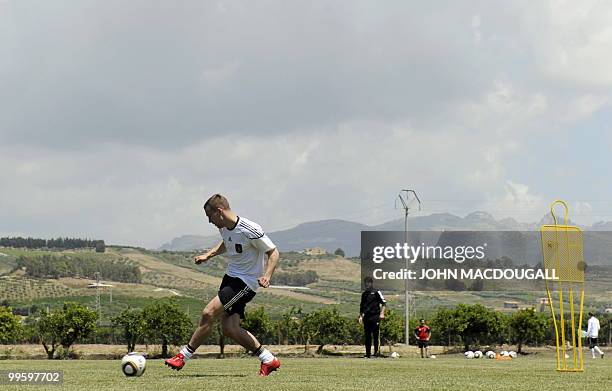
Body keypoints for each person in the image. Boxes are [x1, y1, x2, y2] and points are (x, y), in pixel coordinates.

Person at [164, 194, 282, 376]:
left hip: (245, 283)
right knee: (230, 329)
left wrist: (267, 275)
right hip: (230, 278)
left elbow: (273, 252)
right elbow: (227, 243)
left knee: (208, 313)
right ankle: (268, 360)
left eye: (209, 217)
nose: (209, 221)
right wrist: (208, 255)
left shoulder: (250, 228)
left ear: (219, 212)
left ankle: (183, 356)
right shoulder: (225, 227)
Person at [359, 276, 386, 358]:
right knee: (367, 336)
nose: (367, 284)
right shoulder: (364, 294)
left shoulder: (376, 292)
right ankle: (367, 354)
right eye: (365, 283)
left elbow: (384, 303)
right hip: (367, 317)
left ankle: (376, 353)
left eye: (368, 282)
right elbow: (362, 307)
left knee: (375, 335)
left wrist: (382, 313)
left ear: (371, 283)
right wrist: (360, 316)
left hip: (375, 316)